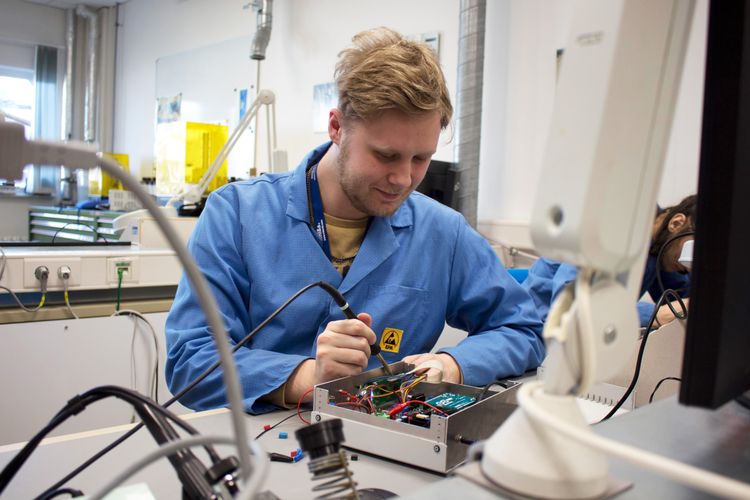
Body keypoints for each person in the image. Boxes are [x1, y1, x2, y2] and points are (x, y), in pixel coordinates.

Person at [164, 27, 546, 414]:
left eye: (420, 159)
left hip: (392, 442)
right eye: (385, 155)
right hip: (260, 442)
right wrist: (309, 378)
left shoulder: (442, 232)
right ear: (336, 127)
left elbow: (522, 329)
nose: (403, 179)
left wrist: (453, 365)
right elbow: (191, 362)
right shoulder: (237, 214)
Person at [524, 194, 696, 328]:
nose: (688, 266)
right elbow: (571, 305)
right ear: (676, 223)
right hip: (538, 327)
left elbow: (679, 299)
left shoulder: (662, 247)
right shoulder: (615, 227)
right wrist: (655, 314)